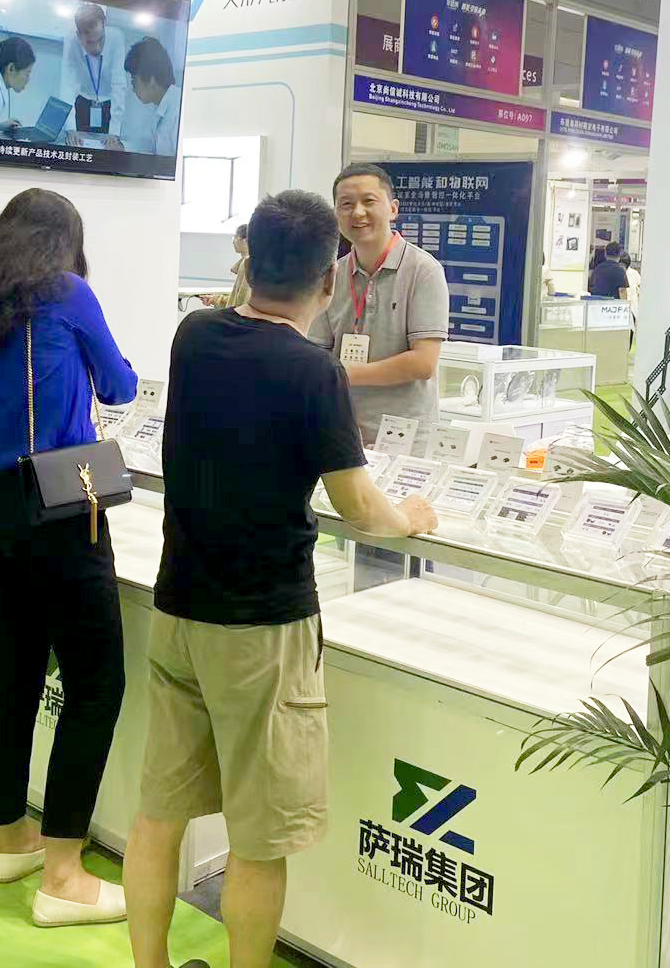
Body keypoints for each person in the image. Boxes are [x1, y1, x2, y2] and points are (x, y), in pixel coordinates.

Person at [124, 190, 439, 968]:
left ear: (248, 259)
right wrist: (412, 516)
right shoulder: (313, 372)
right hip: (262, 628)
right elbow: (359, 506)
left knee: (159, 814)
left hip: (180, 606)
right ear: (327, 281)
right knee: (259, 840)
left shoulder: (194, 335)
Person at [0, 189, 138, 928]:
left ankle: (13, 839)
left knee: (13, 670)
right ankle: (64, 875)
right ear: (66, 242)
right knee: (95, 681)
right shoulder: (65, 293)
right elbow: (120, 384)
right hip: (60, 500)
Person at [309, 164, 449, 455]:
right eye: (346, 204)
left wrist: (342, 373)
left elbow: (423, 363)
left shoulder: (423, 270)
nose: (357, 213)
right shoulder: (332, 274)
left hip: (407, 439)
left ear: (393, 209)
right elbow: (318, 353)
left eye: (368, 201)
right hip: (343, 431)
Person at [60, 4, 128, 147]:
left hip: (108, 105)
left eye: (100, 40)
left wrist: (114, 131)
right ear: (79, 35)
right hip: (83, 103)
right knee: (79, 148)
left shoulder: (116, 37)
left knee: (107, 149)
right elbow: (67, 85)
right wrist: (71, 129)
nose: (97, 47)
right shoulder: (71, 40)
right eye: (90, 42)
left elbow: (119, 84)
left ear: (104, 25)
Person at [123, 36, 181, 158]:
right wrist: (122, 148)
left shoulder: (177, 112)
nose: (133, 89)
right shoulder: (159, 106)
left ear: (151, 80)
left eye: (134, 81)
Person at [228, 222, 250, 308]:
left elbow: (241, 302)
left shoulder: (246, 265)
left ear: (245, 240)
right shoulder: (244, 263)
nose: (233, 242)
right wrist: (216, 299)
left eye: (236, 237)